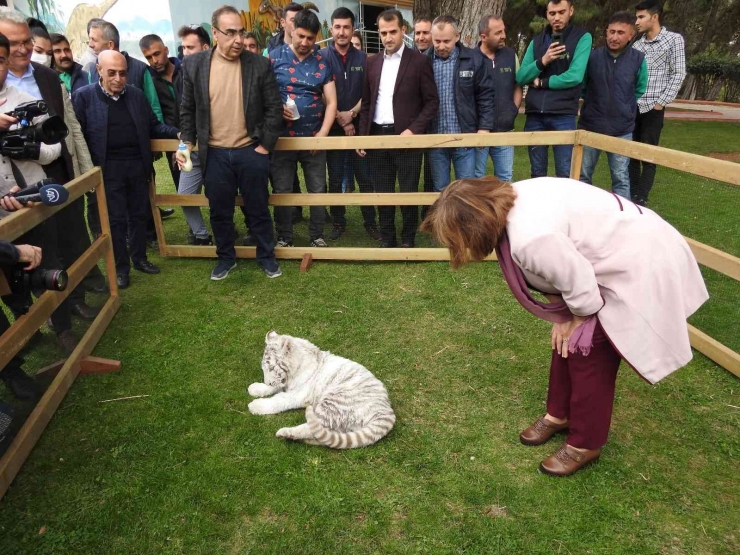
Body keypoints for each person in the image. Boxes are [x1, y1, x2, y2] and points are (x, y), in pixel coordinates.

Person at [422, 176, 708, 476]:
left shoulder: (531, 237)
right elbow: (555, 273)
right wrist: (563, 318)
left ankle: (585, 443)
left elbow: (579, 281)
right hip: (611, 251)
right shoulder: (508, 203)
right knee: (565, 342)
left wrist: (578, 319)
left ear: (474, 226)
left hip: (642, 259)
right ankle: (559, 414)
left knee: (589, 349)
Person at [0, 9, 98, 350]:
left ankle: (77, 297)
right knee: (41, 252)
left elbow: (69, 128)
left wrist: (82, 171)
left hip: (58, 173)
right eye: (13, 43)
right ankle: (60, 324)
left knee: (73, 239)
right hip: (16, 190)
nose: (23, 49)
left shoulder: (46, 75)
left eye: (27, 41)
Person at [178, 5, 283, 281]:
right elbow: (187, 109)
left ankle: (267, 256)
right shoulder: (194, 65)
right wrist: (186, 144)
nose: (238, 39)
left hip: (251, 151)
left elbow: (274, 108)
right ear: (215, 33)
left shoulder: (259, 64)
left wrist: (264, 147)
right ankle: (225, 258)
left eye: (241, 32)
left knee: (258, 208)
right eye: (230, 33)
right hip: (213, 154)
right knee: (219, 211)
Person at [73, 51, 179, 288]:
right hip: (107, 171)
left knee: (139, 215)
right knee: (116, 220)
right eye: (112, 73)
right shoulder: (84, 97)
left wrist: (177, 133)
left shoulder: (136, 95)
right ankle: (122, 268)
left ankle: (140, 258)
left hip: (137, 167)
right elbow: (77, 137)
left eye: (122, 73)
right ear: (99, 70)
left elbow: (154, 126)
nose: (118, 78)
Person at [359, 9, 438, 248]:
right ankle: (387, 238)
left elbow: (432, 102)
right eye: (383, 32)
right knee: (383, 193)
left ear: (403, 30)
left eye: (393, 31)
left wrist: (413, 130)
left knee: (408, 192)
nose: (388, 37)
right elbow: (366, 104)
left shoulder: (419, 61)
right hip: (377, 137)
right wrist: (362, 137)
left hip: (407, 138)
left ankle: (407, 239)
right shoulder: (371, 62)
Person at [270, 8, 336, 248]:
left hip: (313, 140)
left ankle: (317, 235)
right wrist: (276, 107)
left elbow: (332, 103)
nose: (305, 42)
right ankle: (284, 236)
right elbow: (261, 94)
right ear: (291, 29)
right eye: (300, 36)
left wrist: (322, 135)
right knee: (283, 190)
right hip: (281, 140)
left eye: (310, 38)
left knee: (317, 189)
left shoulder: (323, 62)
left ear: (316, 37)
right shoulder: (274, 57)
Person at [516, 0, 592, 178]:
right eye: (552, 13)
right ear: (547, 15)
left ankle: (564, 207)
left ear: (571, 11)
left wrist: (542, 83)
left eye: (561, 12)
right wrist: (543, 60)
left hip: (563, 114)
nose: (556, 17)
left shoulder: (582, 37)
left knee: (565, 173)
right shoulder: (536, 41)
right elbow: (521, 77)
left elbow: (575, 76)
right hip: (535, 115)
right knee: (537, 173)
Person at [321, 7, 377, 242]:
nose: (342, 32)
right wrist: (340, 120)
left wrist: (352, 115)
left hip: (359, 130)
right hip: (333, 130)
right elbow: (321, 92)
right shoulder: (322, 57)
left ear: (353, 29)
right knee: (335, 180)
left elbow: (371, 92)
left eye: (346, 27)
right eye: (337, 27)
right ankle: (338, 222)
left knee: (365, 179)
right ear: (331, 29)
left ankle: (370, 223)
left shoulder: (364, 59)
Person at [579, 12, 648, 199]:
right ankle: (583, 212)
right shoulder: (592, 57)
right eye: (611, 32)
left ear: (630, 35)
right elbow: (584, 87)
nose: (614, 37)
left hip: (622, 128)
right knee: (583, 176)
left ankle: (623, 218)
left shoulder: (639, 60)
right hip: (590, 126)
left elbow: (640, 89)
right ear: (606, 32)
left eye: (620, 33)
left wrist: (623, 105)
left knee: (620, 177)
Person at [427, 15, 493, 192]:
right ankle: (444, 221)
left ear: (457, 36)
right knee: (441, 189)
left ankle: (467, 221)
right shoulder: (424, 61)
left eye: (446, 41)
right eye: (437, 41)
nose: (441, 46)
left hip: (464, 137)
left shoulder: (474, 60)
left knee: (467, 190)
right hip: (436, 139)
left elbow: (485, 96)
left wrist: (484, 128)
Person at [630, 0, 686, 206]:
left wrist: (660, 104)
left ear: (654, 17)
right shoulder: (637, 45)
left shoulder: (673, 40)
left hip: (654, 108)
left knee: (649, 153)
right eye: (636, 17)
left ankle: (642, 197)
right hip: (634, 107)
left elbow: (678, 73)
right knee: (631, 153)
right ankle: (632, 195)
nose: (636, 21)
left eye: (641, 17)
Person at [174, 24, 213, 246]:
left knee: (221, 196)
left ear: (205, 48)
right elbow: (183, 115)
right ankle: (201, 235)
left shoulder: (219, 76)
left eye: (190, 47)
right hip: (190, 146)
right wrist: (181, 145)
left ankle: (230, 236)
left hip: (217, 148)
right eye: (183, 48)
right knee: (184, 194)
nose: (185, 53)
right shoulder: (181, 76)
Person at [475, 15, 522, 183]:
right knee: (477, 180)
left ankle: (503, 211)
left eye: (504, 31)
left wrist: (513, 110)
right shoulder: (471, 58)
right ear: (483, 37)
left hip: (505, 130)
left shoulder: (510, 55)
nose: (503, 35)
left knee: (505, 179)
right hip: (478, 132)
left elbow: (518, 85)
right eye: (498, 32)